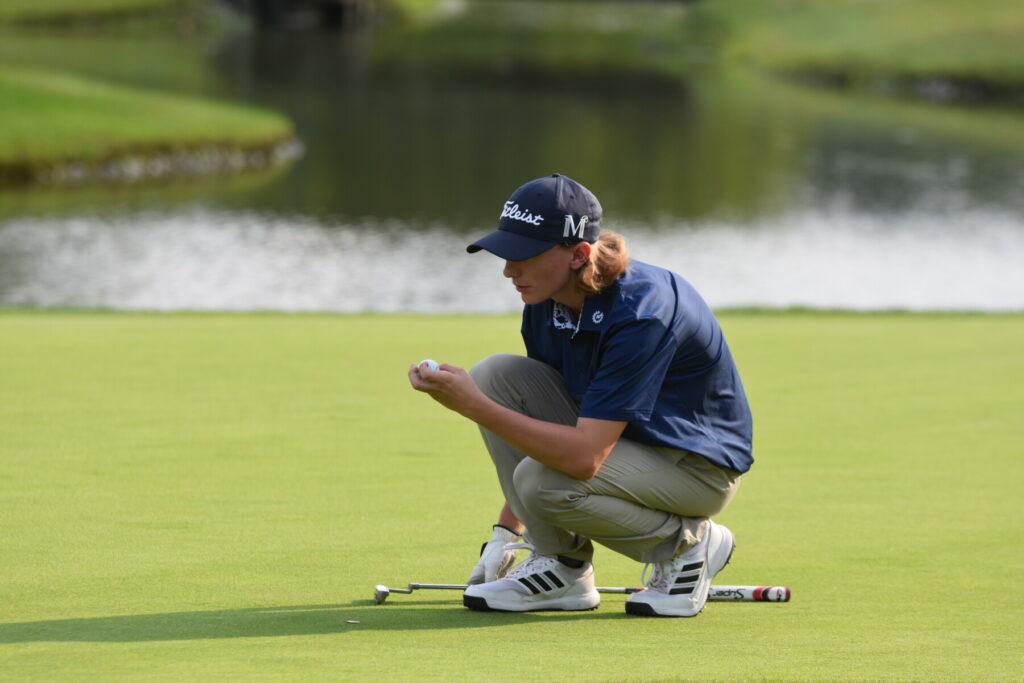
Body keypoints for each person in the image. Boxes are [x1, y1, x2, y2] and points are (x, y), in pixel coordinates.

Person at [407, 173, 753, 617]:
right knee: (496, 375)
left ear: (579, 255)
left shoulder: (641, 313)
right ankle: (562, 568)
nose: (509, 270)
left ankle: (689, 546)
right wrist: (504, 531)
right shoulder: (546, 301)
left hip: (693, 468)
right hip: (625, 446)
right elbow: (536, 426)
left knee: (540, 478)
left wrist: (472, 405)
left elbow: (582, 459)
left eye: (523, 256)